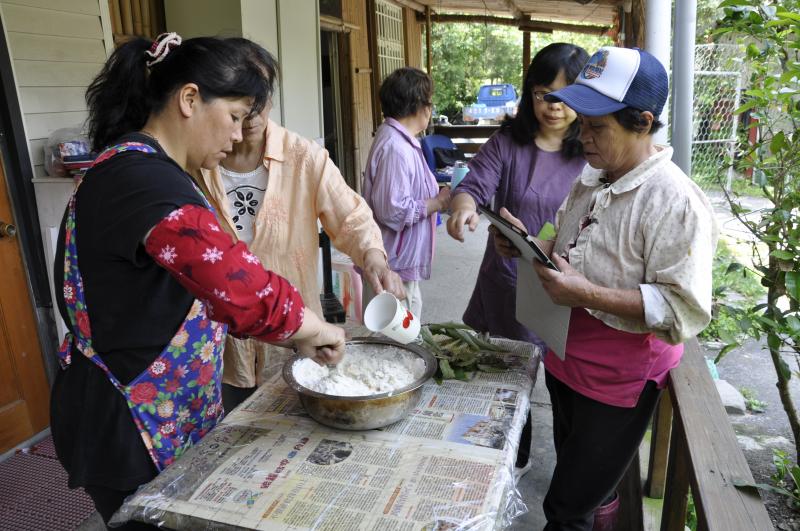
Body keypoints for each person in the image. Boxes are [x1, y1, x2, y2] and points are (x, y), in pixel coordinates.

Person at [50, 34, 345, 529]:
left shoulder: (142, 167)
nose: (238, 135)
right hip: (130, 423)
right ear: (189, 99)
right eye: (234, 116)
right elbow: (235, 284)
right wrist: (314, 329)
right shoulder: (143, 180)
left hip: (157, 408)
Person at [494, 47, 718, 530]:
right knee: (585, 478)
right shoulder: (594, 176)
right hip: (565, 356)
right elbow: (563, 233)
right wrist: (529, 244)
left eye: (597, 126)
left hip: (618, 381)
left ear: (642, 122)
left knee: (566, 507)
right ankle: (605, 509)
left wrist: (587, 295)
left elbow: (682, 311)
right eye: (583, 121)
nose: (582, 135)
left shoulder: (675, 202)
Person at [196, 39, 404, 410]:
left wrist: (374, 256)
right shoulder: (198, 160)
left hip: (295, 331)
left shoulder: (303, 156)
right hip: (218, 341)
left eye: (262, 99)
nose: (255, 113)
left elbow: (351, 216)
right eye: (244, 102)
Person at [445, 43, 588, 479]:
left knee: (565, 387)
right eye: (543, 93)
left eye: (565, 96)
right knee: (507, 383)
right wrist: (464, 207)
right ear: (529, 94)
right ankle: (514, 458)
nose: (553, 106)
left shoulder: (593, 153)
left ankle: (572, 475)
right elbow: (474, 182)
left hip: (568, 291)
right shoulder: (508, 142)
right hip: (507, 285)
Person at [363, 67, 451, 317]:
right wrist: (438, 202)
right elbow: (393, 210)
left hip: (399, 261)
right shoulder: (396, 148)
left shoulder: (400, 140)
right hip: (394, 265)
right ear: (420, 106)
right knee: (399, 338)